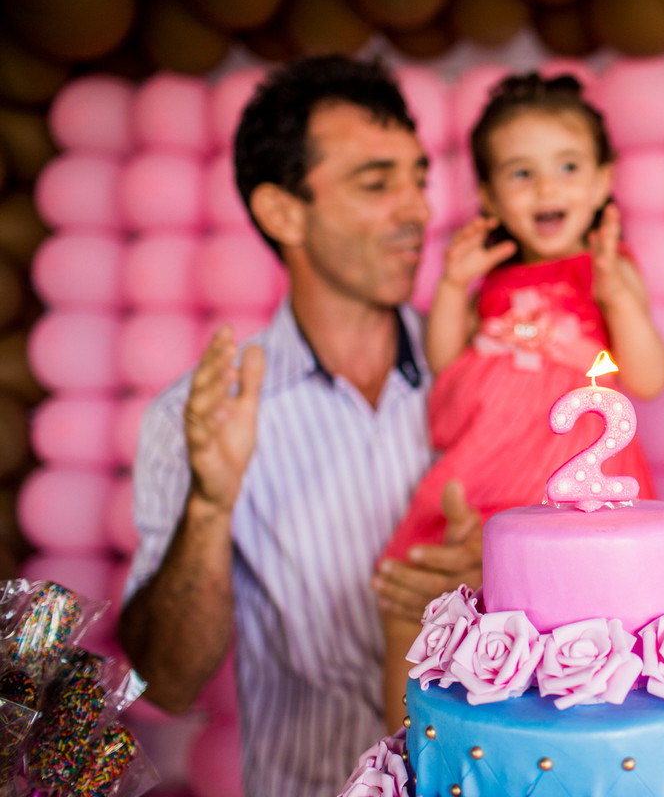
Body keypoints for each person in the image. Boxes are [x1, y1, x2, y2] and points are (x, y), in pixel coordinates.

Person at [117, 56, 482, 797]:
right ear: (283, 212)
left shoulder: (486, 369)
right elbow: (170, 683)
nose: (416, 209)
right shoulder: (201, 416)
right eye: (376, 183)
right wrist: (210, 507)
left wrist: (505, 576)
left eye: (418, 178)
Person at [376, 71, 664, 726]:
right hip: (488, 457)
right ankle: (406, 732)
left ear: (600, 182)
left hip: (571, 459)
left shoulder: (609, 271)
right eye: (520, 173)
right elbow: (450, 368)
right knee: (425, 589)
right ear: (488, 194)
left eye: (567, 167)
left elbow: (647, 377)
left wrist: (620, 296)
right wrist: (453, 287)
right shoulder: (490, 279)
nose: (546, 187)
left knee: (571, 603)